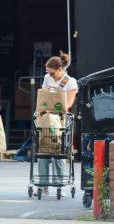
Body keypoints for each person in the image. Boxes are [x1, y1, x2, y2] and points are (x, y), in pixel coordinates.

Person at [36, 50, 78, 196]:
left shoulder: (70, 82)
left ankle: (60, 184)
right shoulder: (48, 78)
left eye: (52, 73)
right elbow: (43, 97)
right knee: (43, 150)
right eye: (48, 73)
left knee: (59, 152)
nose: (50, 75)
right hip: (46, 119)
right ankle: (43, 184)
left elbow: (68, 104)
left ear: (61, 69)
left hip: (61, 121)